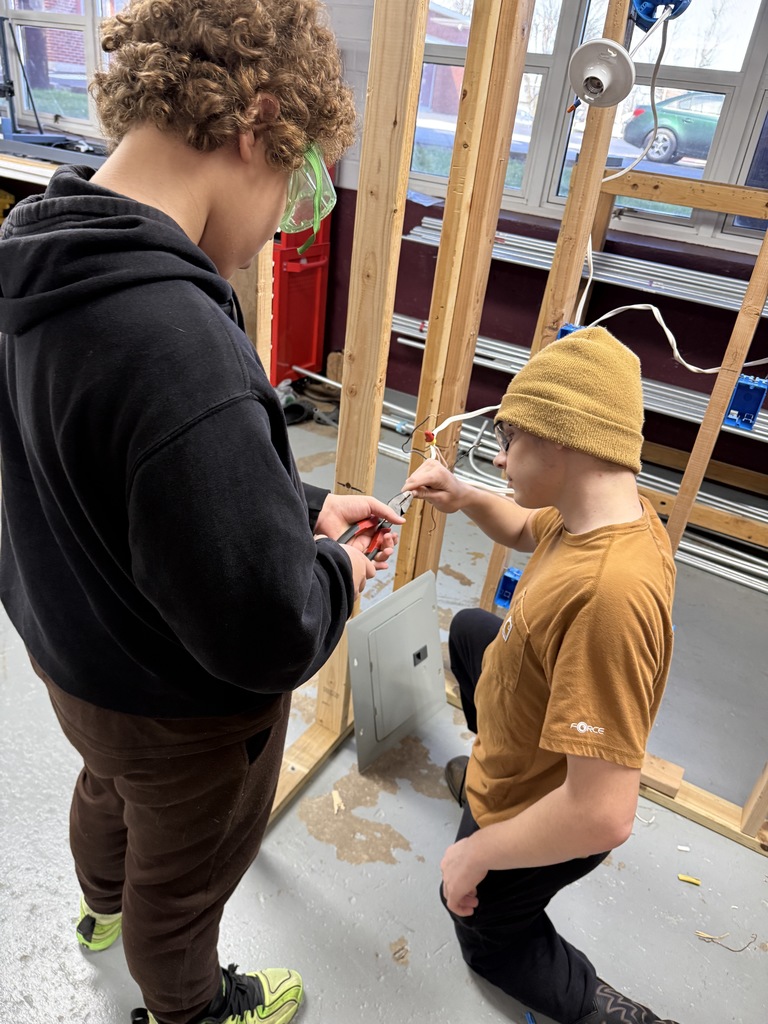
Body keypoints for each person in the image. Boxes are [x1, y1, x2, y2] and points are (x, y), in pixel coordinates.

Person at [0, 2, 405, 1023]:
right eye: (295, 182)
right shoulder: (182, 347)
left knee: (106, 791)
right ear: (256, 122)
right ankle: (188, 1008)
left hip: (72, 653)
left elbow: (125, 477)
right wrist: (334, 573)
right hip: (182, 716)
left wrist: (295, 506)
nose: (282, 222)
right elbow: (266, 630)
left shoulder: (36, 260)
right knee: (178, 891)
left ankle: (96, 911)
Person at [403, 326, 680, 1024]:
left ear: (563, 441)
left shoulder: (609, 598)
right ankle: (485, 779)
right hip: (528, 740)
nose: (498, 457)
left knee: (484, 931)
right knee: (473, 632)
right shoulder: (601, 509)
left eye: (511, 438)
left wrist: (477, 854)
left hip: (550, 803)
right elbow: (527, 528)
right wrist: (464, 497)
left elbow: (602, 814)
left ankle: (593, 1005)